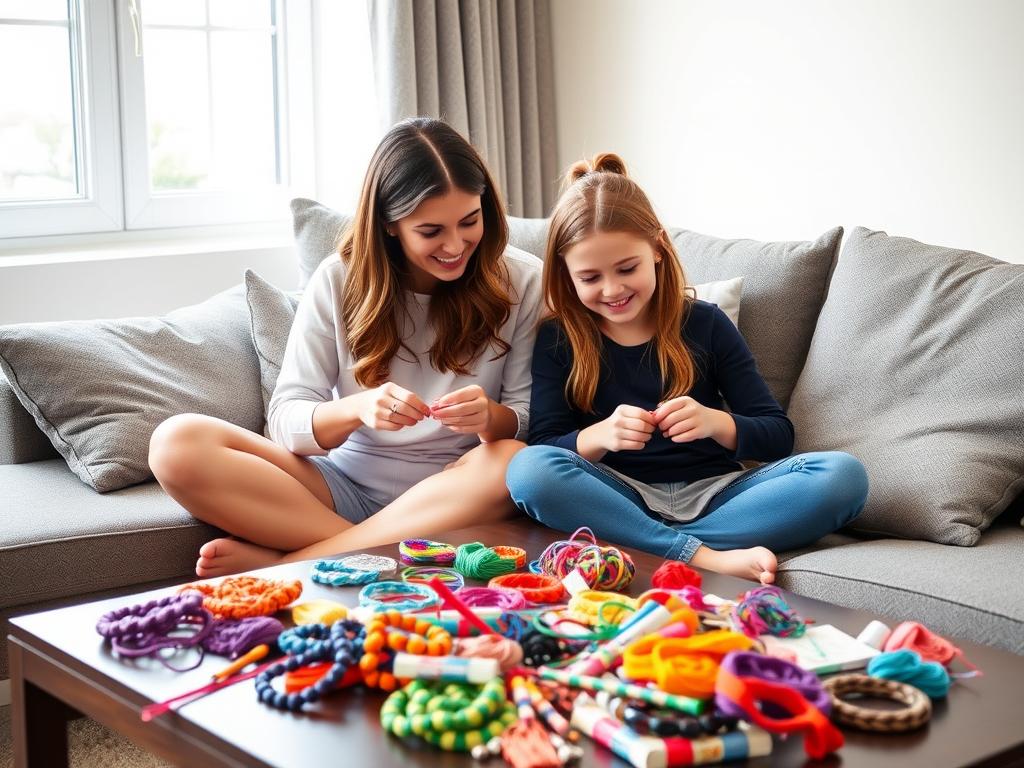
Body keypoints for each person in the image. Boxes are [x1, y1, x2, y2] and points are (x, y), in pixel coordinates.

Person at [150, 118, 542, 577]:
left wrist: (492, 418)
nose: (455, 245)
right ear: (390, 224)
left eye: (469, 221)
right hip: (342, 485)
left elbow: (531, 422)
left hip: (455, 493)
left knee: (516, 463)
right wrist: (358, 409)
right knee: (175, 443)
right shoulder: (338, 279)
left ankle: (296, 562)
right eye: (431, 231)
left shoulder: (522, 279)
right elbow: (285, 421)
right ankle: (363, 551)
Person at [505, 154, 867, 584]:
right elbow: (544, 446)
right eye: (590, 277)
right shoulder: (559, 339)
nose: (613, 289)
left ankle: (652, 544)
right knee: (528, 471)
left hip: (719, 494)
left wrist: (716, 422)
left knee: (844, 476)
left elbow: (777, 436)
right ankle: (703, 556)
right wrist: (597, 436)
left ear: (657, 248)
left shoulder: (705, 323)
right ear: (566, 274)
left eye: (627, 268)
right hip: (619, 494)